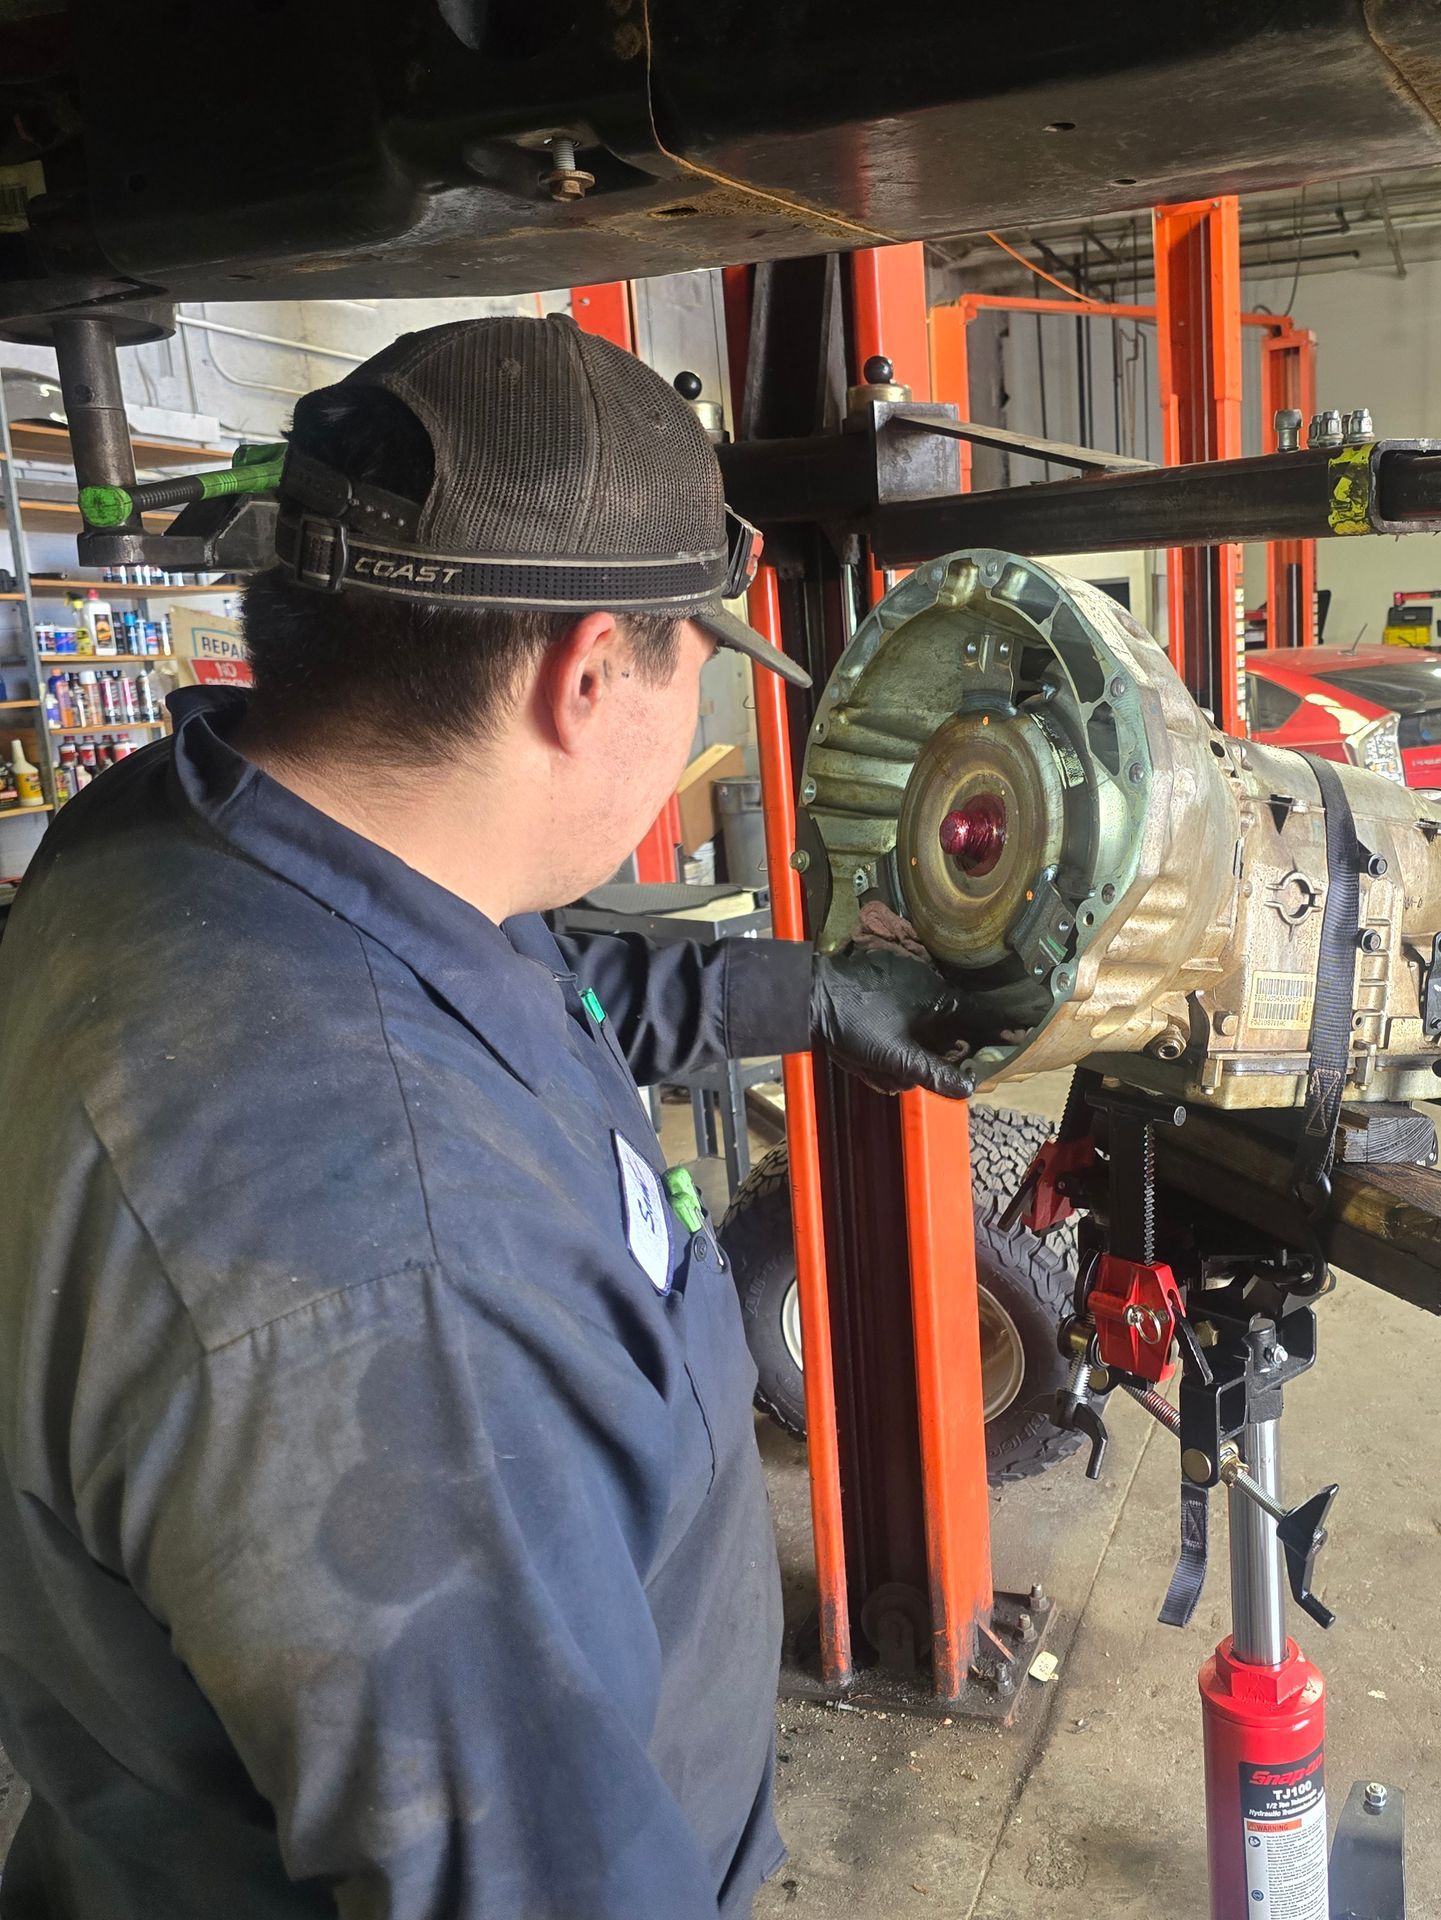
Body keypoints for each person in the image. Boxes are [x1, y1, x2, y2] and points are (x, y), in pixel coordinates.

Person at [0, 316, 971, 1919]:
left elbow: (515, 972)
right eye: (696, 657)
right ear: (593, 676)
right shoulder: (403, 1295)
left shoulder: (193, 831)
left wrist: (793, 996)